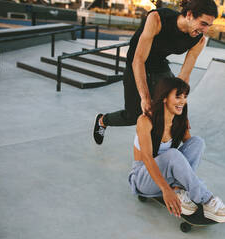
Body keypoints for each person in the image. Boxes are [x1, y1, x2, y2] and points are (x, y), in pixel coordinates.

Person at [93, 0, 218, 145]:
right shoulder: (158, 19)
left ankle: (174, 156)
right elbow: (138, 60)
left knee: (174, 109)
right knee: (133, 116)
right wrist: (145, 98)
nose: (205, 30)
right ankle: (103, 120)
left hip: (160, 66)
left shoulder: (199, 40)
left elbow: (184, 76)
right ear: (189, 15)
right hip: (137, 64)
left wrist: (181, 108)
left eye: (209, 25)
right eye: (203, 24)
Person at [128, 77, 225, 223]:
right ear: (165, 98)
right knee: (173, 154)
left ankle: (179, 190)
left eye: (185, 97)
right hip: (143, 177)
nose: (182, 101)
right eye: (178, 96)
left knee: (197, 143)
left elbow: (189, 155)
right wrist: (166, 190)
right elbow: (147, 158)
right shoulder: (145, 121)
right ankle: (207, 200)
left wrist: (179, 184)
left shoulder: (179, 121)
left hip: (167, 177)